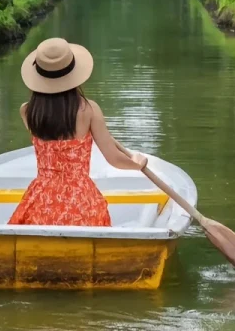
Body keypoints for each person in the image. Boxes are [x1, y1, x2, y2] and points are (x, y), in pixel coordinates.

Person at [8, 37, 147, 227]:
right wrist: (136, 164)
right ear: (73, 74)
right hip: (82, 206)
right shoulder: (89, 110)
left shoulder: (27, 111)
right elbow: (114, 158)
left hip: (41, 205)